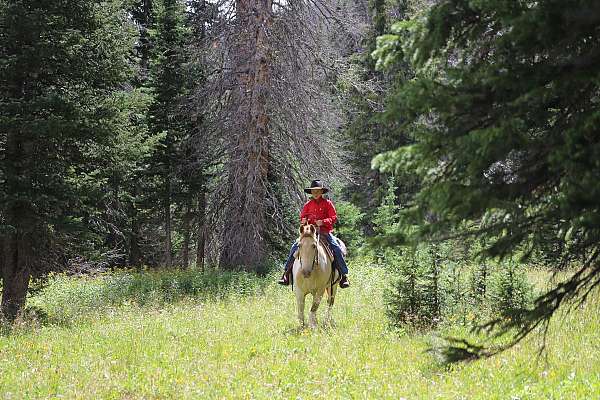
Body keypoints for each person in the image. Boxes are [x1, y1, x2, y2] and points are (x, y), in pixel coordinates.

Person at [278, 180, 350, 288]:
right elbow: (302, 217)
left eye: (317, 191)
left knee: (336, 248)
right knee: (294, 247)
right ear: (311, 192)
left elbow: (334, 217)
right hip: (310, 233)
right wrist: (303, 220)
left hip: (325, 232)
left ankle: (344, 276)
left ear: (321, 192)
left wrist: (323, 222)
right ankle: (286, 274)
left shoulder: (328, 203)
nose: (315, 193)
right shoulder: (308, 205)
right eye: (313, 191)